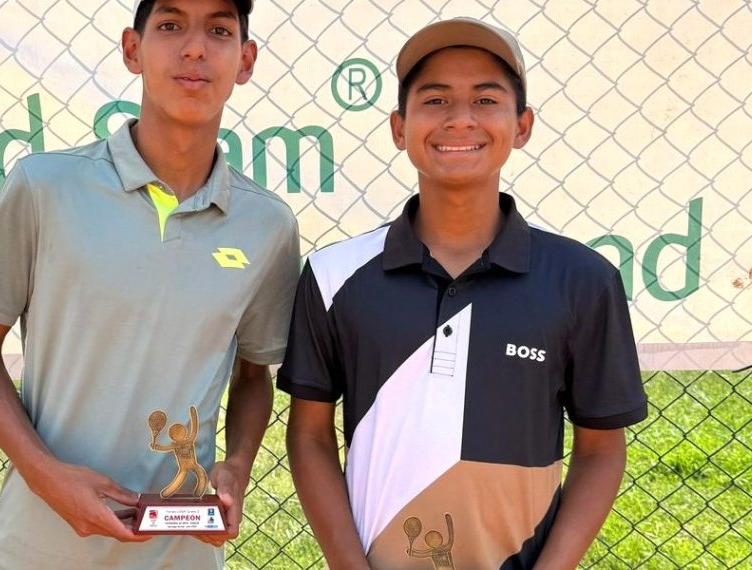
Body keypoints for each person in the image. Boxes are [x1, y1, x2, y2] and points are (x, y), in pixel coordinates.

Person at [278, 17, 648, 570]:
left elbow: (601, 449)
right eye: (435, 100)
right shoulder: (334, 275)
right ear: (399, 127)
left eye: (485, 99)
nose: (459, 118)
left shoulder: (583, 279)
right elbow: (309, 435)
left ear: (522, 126)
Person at [0, 0, 300, 567]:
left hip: (180, 554)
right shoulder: (45, 187)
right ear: (133, 50)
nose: (194, 48)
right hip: (40, 547)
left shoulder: (267, 224)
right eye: (170, 25)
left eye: (219, 30)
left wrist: (237, 464)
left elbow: (253, 375)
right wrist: (46, 477)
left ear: (246, 60)